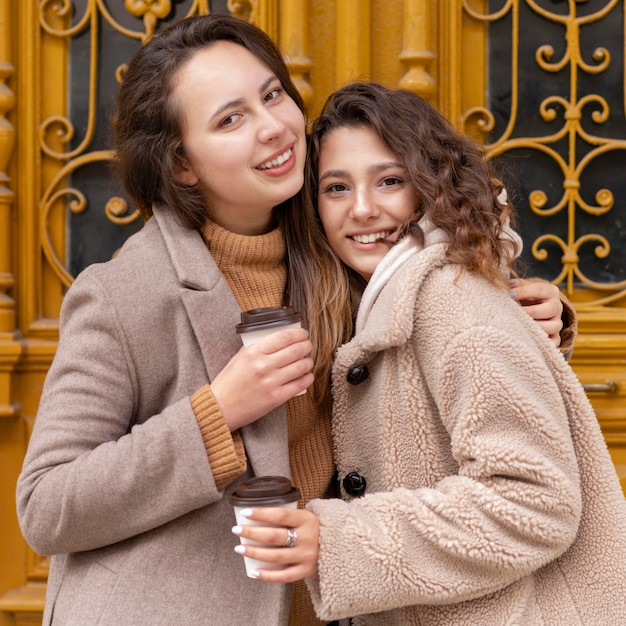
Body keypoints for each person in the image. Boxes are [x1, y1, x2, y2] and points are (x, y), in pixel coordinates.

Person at [15, 14, 572, 626]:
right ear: (181, 164)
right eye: (231, 119)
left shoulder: (337, 239)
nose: (274, 128)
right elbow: (46, 505)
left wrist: (527, 314)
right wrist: (216, 412)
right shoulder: (123, 294)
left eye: (272, 94)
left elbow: (432, 348)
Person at [230, 82, 626, 625]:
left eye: (389, 181)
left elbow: (535, 500)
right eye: (337, 188)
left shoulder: (453, 304)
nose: (363, 209)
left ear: (429, 188)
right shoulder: (365, 301)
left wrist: (340, 541)